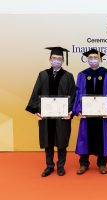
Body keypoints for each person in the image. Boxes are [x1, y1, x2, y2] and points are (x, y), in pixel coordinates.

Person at [26, 47, 76, 177]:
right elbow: (36, 93)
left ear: (63, 60)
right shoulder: (42, 74)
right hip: (46, 116)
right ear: (50, 59)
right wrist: (36, 110)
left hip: (62, 116)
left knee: (62, 142)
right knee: (48, 141)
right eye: (54, 58)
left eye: (59, 59)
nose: (57, 61)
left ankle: (60, 166)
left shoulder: (68, 76)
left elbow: (73, 95)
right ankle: (49, 166)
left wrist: (70, 111)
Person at [73, 49, 107, 175]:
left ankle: (102, 163)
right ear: (87, 59)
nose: (92, 60)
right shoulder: (82, 75)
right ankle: (84, 163)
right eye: (90, 57)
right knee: (85, 136)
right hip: (87, 114)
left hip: (102, 115)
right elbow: (78, 93)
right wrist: (79, 109)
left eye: (95, 57)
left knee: (102, 136)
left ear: (100, 59)